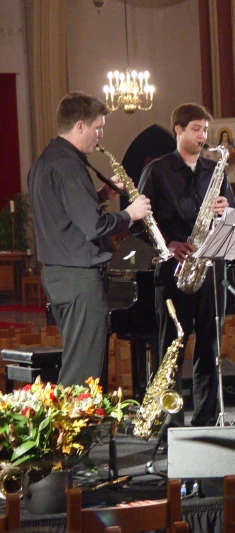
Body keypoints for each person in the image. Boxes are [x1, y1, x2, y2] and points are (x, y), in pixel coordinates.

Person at [28, 92, 151, 386]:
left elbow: (63, 214)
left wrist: (101, 195)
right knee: (83, 371)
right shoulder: (70, 167)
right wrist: (131, 214)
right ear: (80, 126)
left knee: (79, 360)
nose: (100, 135)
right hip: (80, 280)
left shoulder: (46, 161)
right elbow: (94, 227)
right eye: (98, 127)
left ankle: (78, 428)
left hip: (59, 275)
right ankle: (76, 432)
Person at [138, 103, 235, 427]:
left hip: (209, 271)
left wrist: (225, 210)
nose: (203, 136)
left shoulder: (214, 170)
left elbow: (233, 215)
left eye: (205, 130)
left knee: (209, 348)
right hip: (173, 271)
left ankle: (206, 420)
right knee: (172, 350)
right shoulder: (157, 171)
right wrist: (168, 244)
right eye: (196, 129)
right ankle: (171, 425)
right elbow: (140, 222)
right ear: (178, 130)